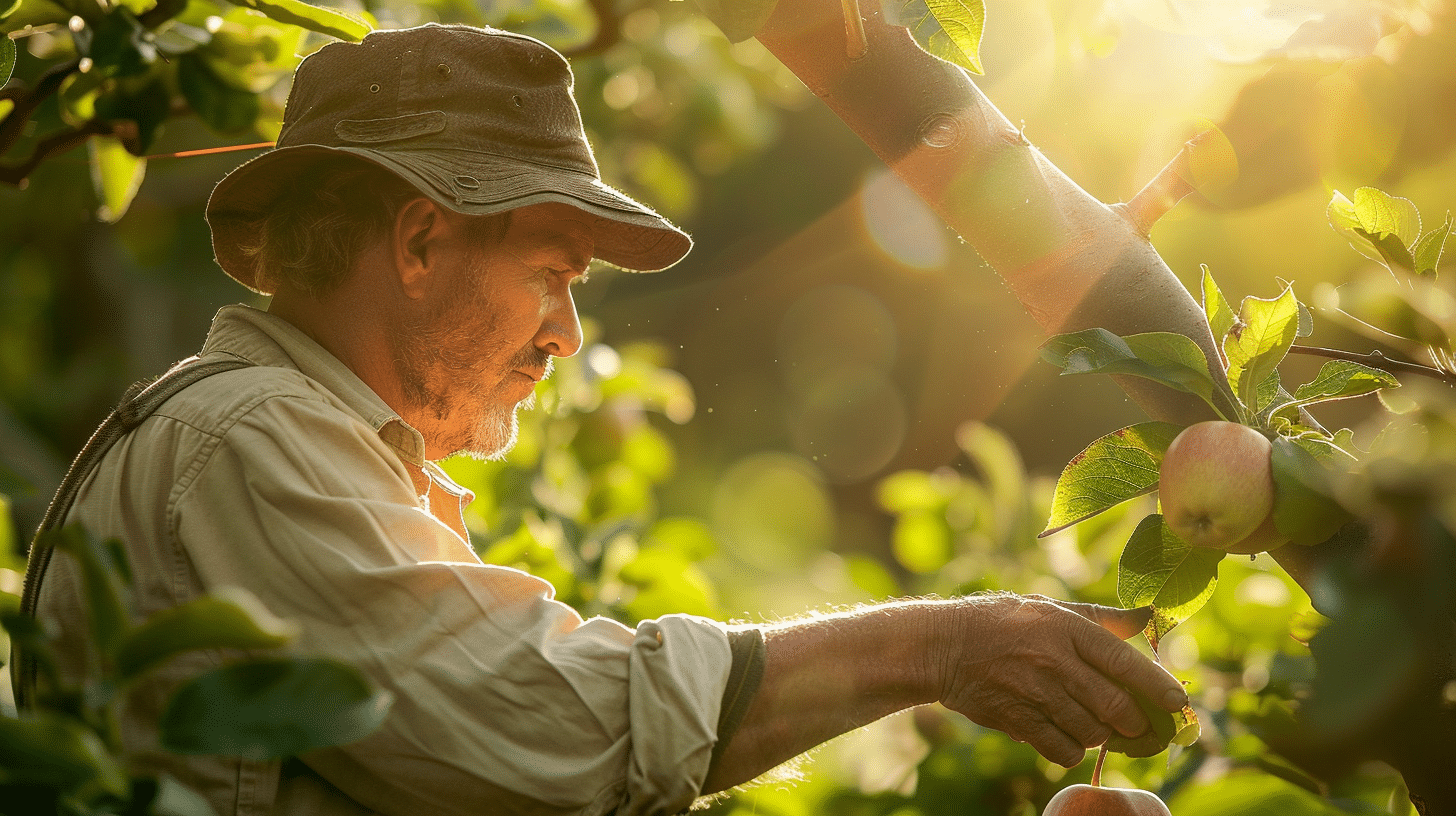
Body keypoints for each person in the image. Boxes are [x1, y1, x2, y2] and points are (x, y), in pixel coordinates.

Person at [24, 23, 1187, 816]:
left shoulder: (302, 450)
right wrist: (938, 645)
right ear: (421, 240)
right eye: (552, 272)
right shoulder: (252, 442)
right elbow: (545, 728)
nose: (567, 334)